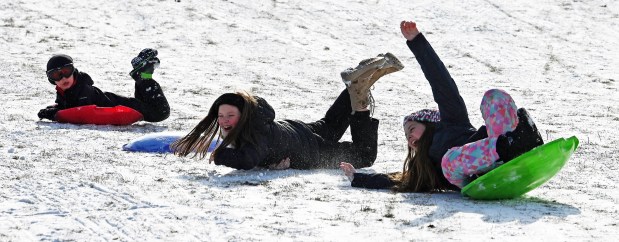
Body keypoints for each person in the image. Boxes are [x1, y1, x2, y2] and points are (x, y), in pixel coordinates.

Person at [339, 21, 544, 192]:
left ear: (429, 123)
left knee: (492, 96)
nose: (409, 138)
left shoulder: (453, 122)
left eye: (411, 129)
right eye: (407, 137)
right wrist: (359, 178)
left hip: (501, 157)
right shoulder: (425, 165)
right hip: (472, 176)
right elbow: (399, 180)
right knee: (450, 160)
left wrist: (417, 42)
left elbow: (441, 83)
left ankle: (517, 143)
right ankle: (509, 145)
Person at [171, 53, 405, 170]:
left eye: (230, 116)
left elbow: (248, 158)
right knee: (331, 125)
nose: (224, 121)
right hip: (295, 130)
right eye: (221, 116)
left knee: (364, 156)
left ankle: (360, 96)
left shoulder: (254, 133)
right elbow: (256, 153)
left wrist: (220, 156)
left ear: (242, 115)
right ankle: (359, 83)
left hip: (307, 150)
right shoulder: (257, 113)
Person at [37, 49, 170, 123]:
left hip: (127, 107)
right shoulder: (63, 92)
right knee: (145, 102)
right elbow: (68, 107)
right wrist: (52, 109)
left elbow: (80, 112)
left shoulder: (83, 90)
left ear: (74, 72)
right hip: (124, 106)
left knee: (160, 113)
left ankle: (144, 75)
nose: (63, 78)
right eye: (56, 75)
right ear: (51, 80)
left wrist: (55, 114)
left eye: (66, 72)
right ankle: (142, 75)